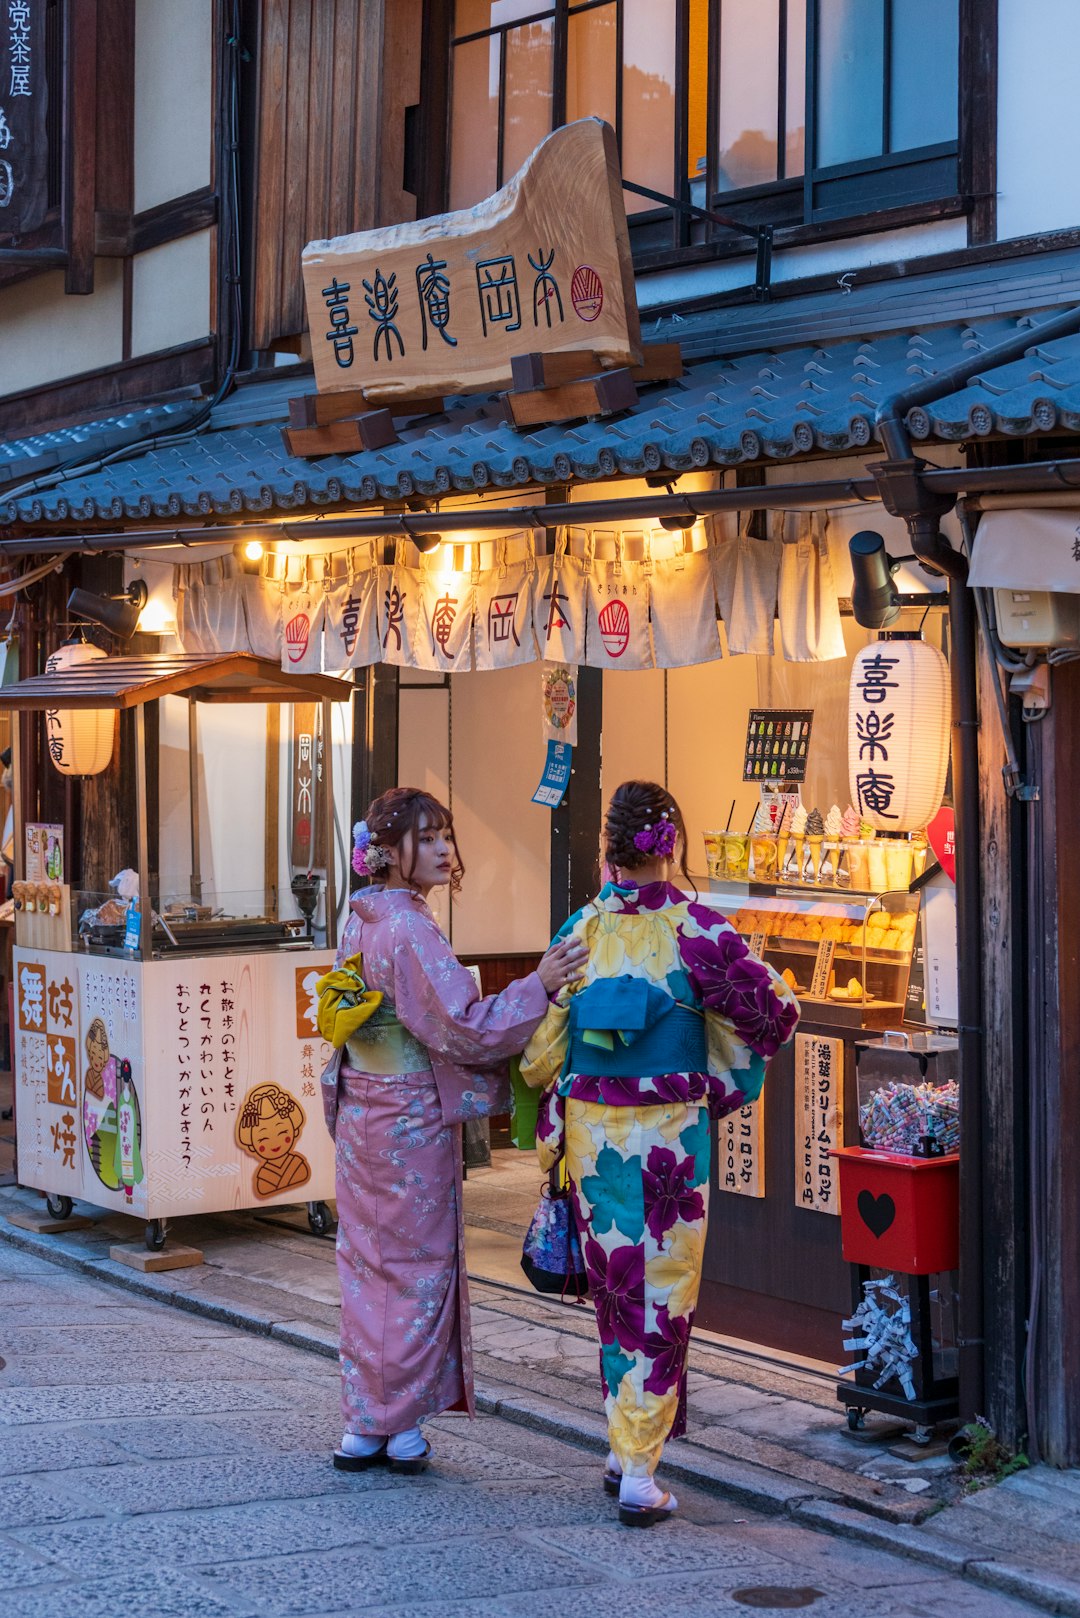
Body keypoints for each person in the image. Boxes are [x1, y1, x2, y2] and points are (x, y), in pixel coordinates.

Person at [521, 780, 799, 1526]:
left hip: (593, 1132)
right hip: (672, 1136)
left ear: (610, 847)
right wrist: (716, 1050)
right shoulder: (698, 929)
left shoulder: (577, 931)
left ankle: (623, 1444)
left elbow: (541, 1052)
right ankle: (641, 1474)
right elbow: (772, 1015)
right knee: (664, 1292)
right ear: (669, 843)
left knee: (616, 1289)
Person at [321, 785, 587, 1475]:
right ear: (389, 851)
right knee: (417, 1268)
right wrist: (542, 986)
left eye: (446, 835)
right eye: (427, 837)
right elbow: (465, 1026)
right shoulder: (409, 927)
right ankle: (400, 1424)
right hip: (406, 1116)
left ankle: (364, 1421)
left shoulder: (360, 915)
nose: (443, 849)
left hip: (361, 1109)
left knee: (366, 1265)